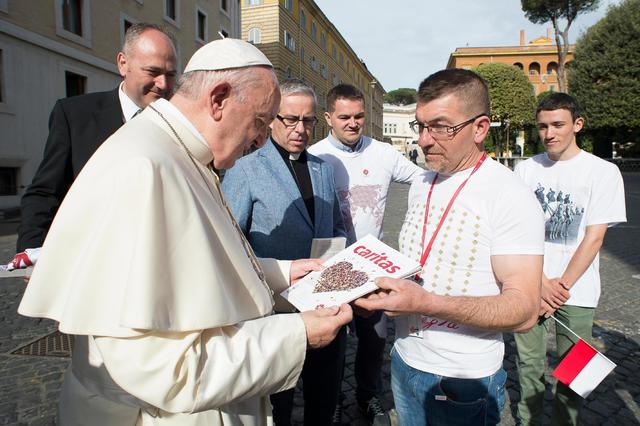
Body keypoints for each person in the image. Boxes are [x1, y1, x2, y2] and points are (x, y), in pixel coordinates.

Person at [18, 38, 352, 425]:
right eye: (260, 121)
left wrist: (283, 272)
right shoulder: (145, 168)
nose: (260, 139)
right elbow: (165, 371)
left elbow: (196, 268)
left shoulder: (182, 153)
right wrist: (298, 334)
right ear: (219, 98)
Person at [354, 68, 544, 426]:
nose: (425, 140)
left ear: (480, 128)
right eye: (420, 126)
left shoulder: (510, 195)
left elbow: (524, 310)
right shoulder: (421, 183)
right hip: (405, 361)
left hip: (463, 379)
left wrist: (426, 303)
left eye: (441, 127)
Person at [221, 79, 348, 425]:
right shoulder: (244, 169)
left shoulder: (322, 168)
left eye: (308, 121)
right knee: (277, 404)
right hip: (274, 310)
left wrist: (341, 253)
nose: (300, 129)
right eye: (291, 119)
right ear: (272, 120)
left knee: (324, 395)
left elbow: (337, 225)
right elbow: (231, 240)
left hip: (324, 301)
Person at [308, 83, 422, 425]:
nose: (353, 123)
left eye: (359, 116)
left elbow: (424, 180)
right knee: (329, 345)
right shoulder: (316, 156)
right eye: (344, 117)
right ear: (329, 117)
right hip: (331, 267)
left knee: (374, 341)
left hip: (375, 269)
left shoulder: (384, 153)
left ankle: (367, 396)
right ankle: (330, 402)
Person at [513, 93, 626, 426]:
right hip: (531, 285)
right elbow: (516, 232)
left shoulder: (603, 172)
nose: (550, 133)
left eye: (558, 124)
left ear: (577, 125)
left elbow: (594, 238)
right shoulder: (525, 169)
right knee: (528, 367)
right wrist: (539, 283)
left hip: (578, 291)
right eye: (543, 126)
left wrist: (559, 287)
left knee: (575, 376)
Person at [16, 23, 178, 253]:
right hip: (90, 261)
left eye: (170, 74)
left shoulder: (179, 124)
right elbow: (45, 191)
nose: (163, 84)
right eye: (152, 72)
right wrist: (30, 250)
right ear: (123, 63)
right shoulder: (74, 115)